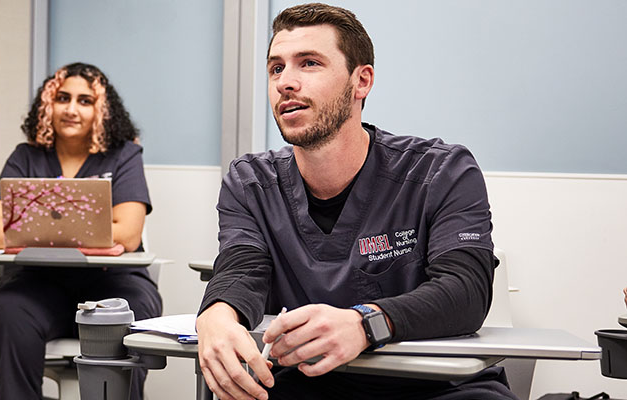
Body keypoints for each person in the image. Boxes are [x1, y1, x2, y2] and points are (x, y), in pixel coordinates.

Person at [194, 3, 514, 399]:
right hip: (310, 384)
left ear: (361, 81)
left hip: (434, 387)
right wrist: (216, 316)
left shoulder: (441, 172)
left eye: (308, 63)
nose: (285, 83)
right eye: (276, 68)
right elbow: (243, 269)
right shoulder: (251, 182)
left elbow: (465, 290)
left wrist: (366, 324)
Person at [0, 62, 160, 400]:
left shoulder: (124, 155)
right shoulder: (26, 156)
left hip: (112, 285)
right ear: (49, 104)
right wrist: (89, 228)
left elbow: (128, 234)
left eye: (85, 101)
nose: (72, 109)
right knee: (9, 312)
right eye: (63, 98)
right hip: (38, 285)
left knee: (132, 311)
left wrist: (35, 228)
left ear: (102, 110)